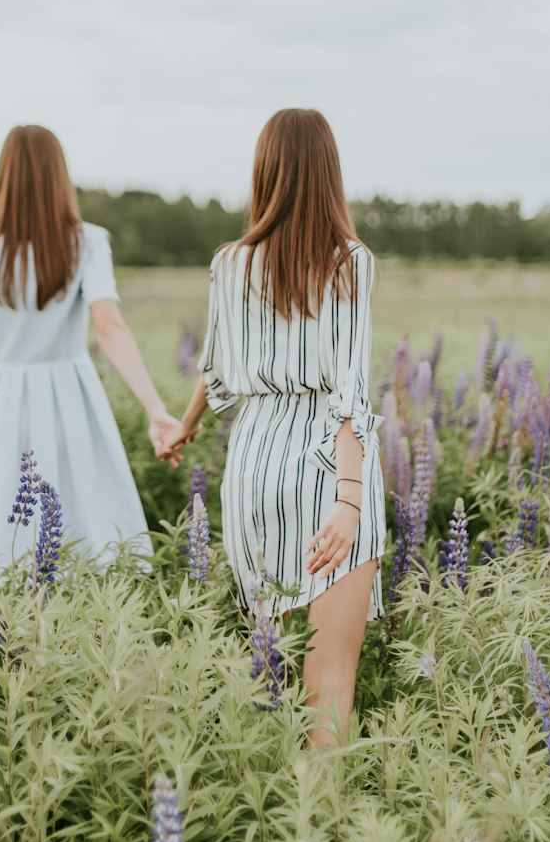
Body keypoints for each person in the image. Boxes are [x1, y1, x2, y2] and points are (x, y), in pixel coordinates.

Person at [158, 109, 386, 748]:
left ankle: (273, 828)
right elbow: (348, 391)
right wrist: (348, 499)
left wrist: (185, 427)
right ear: (328, 174)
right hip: (324, 468)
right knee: (329, 687)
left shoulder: (230, 263)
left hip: (254, 472)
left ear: (266, 172)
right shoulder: (350, 262)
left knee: (273, 682)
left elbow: (216, 367)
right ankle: (320, 835)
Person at [0, 125, 178, 567]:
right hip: (69, 389)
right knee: (84, 511)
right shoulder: (87, 240)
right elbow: (109, 328)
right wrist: (153, 407)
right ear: (59, 177)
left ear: (3, 177)